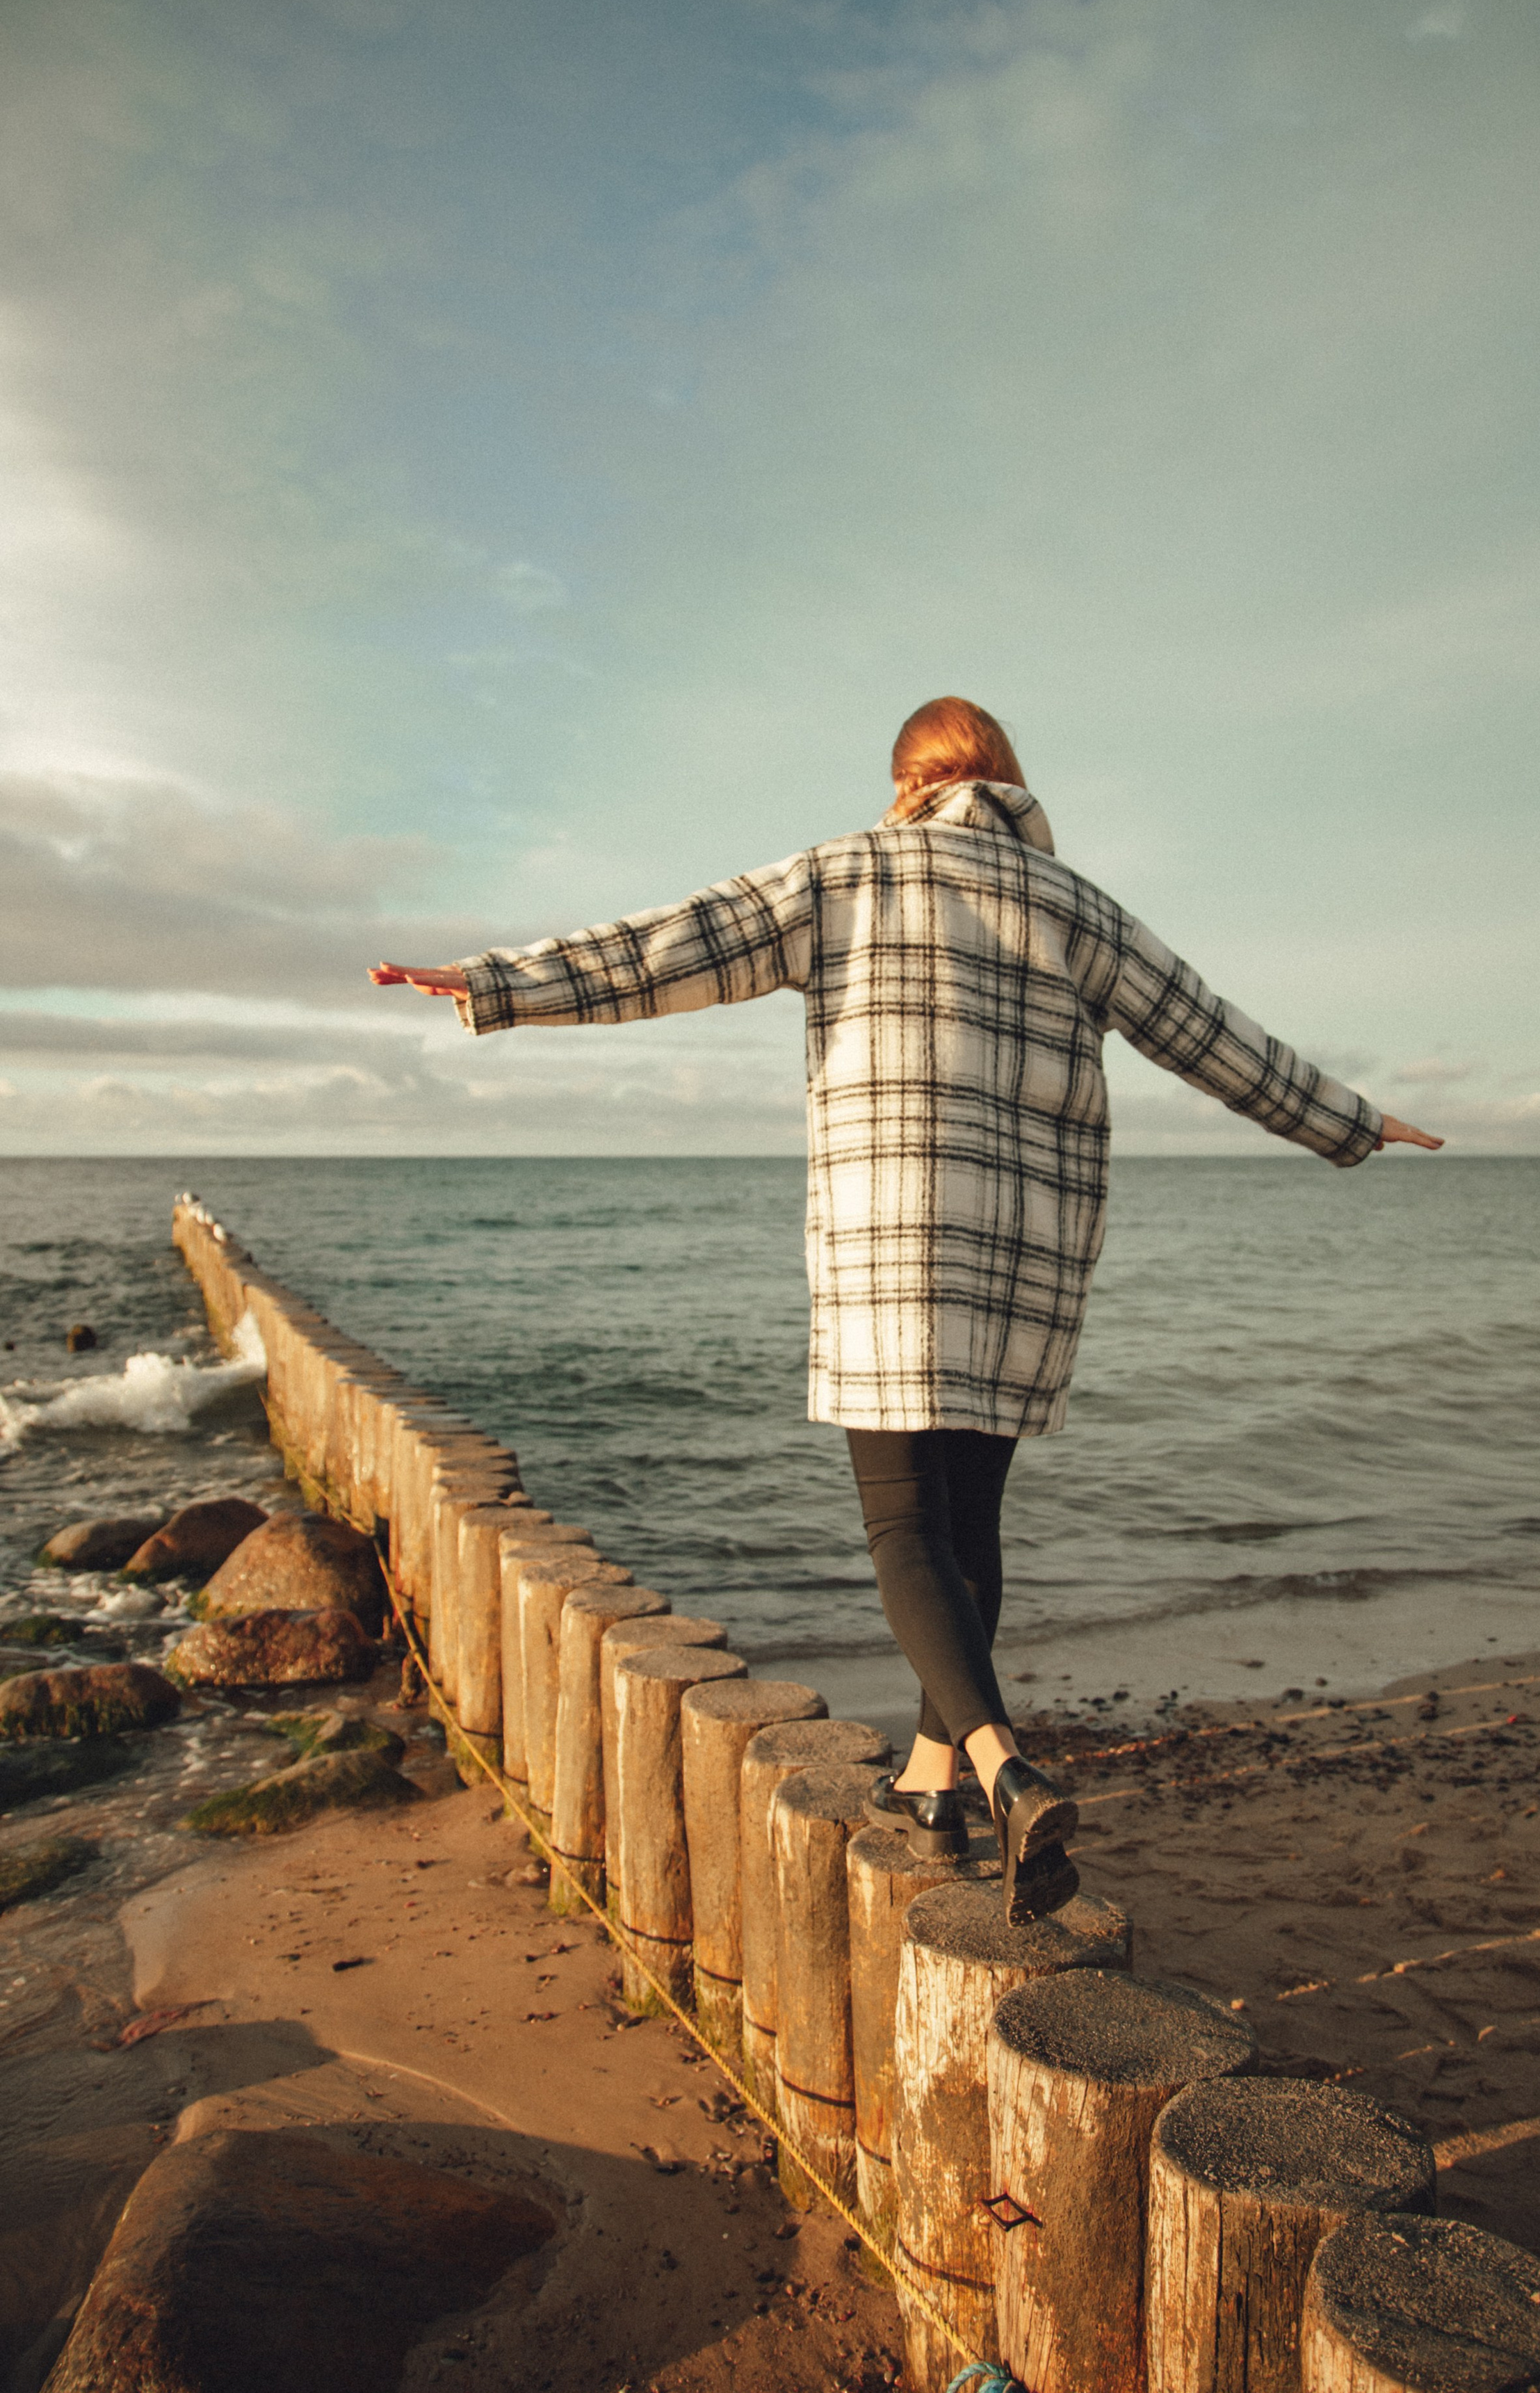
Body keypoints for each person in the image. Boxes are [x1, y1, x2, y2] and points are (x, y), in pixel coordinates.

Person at [373, 697, 1440, 1922]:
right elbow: (1215, 1038)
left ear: (907, 787)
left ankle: (1001, 1767)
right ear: (1010, 784)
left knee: (900, 1525)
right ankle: (932, 1784)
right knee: (969, 1521)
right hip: (1031, 1245)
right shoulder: (1081, 908)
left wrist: (498, 982)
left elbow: (674, 949)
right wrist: (1354, 1123)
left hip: (893, 1233)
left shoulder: (849, 873)